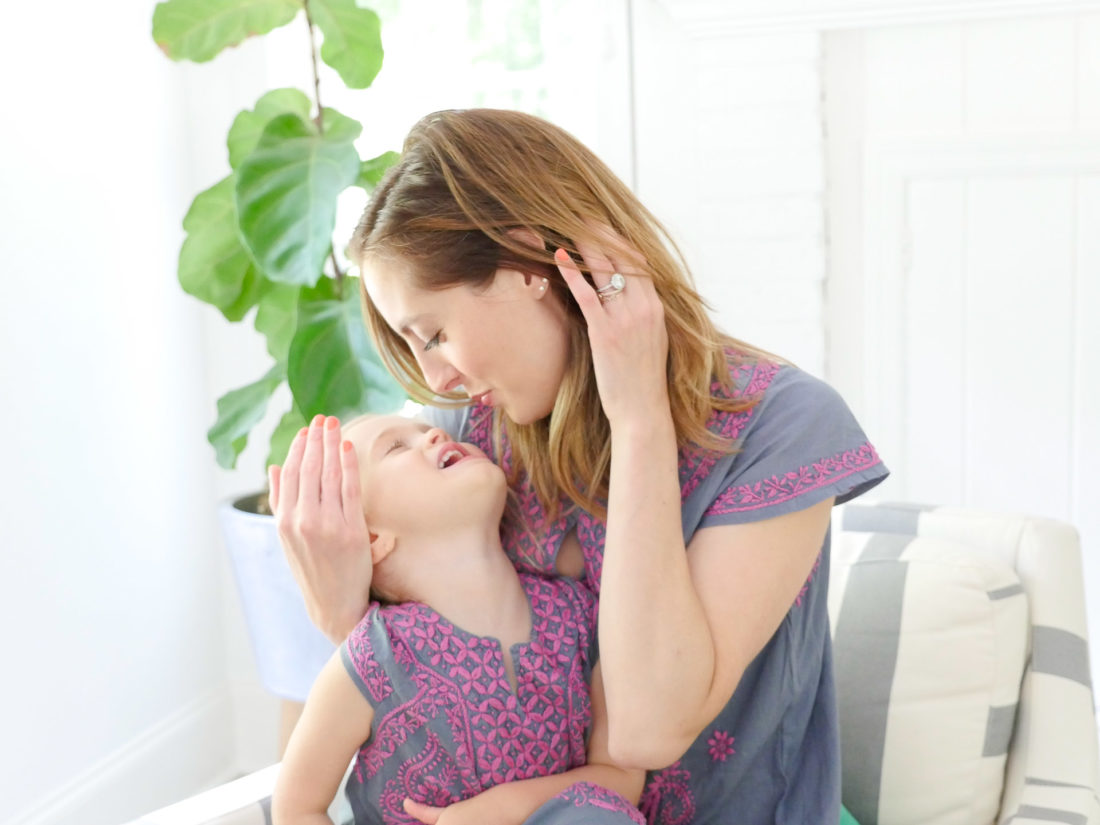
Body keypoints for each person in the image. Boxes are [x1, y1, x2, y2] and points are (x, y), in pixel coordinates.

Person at [270, 108, 889, 824]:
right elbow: (406, 670)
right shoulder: (468, 439)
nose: (435, 380)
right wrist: (343, 611)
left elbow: (648, 729)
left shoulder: (782, 429)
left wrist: (639, 418)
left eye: (436, 333)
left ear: (530, 263)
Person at [270, 413, 646, 825]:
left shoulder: (580, 618)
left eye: (430, 432)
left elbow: (621, 776)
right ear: (371, 538)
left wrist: (498, 810)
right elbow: (297, 808)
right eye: (396, 447)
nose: (434, 433)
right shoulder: (374, 655)